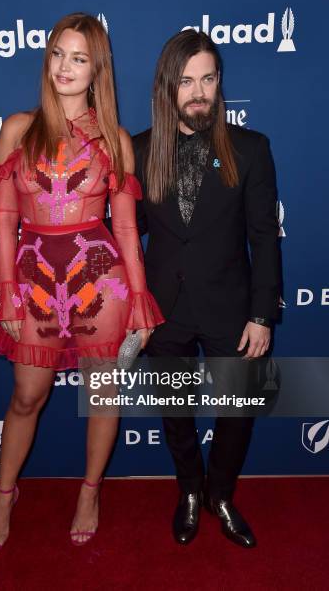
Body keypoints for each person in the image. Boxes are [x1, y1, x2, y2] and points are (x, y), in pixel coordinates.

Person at [0, 12, 164, 556]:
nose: (64, 66)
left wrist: (138, 301)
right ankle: (3, 497)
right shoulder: (18, 128)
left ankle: (89, 493)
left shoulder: (114, 138)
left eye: (79, 57)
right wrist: (8, 290)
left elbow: (127, 229)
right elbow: (4, 223)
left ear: (97, 69)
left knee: (102, 396)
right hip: (32, 282)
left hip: (100, 281)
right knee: (25, 395)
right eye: (58, 53)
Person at [133, 29, 281, 548]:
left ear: (219, 83)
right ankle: (190, 491)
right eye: (186, 80)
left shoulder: (251, 149)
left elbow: (264, 238)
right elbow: (125, 238)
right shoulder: (139, 150)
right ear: (166, 87)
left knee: (238, 413)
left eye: (208, 78)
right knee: (175, 414)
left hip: (232, 309)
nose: (198, 91)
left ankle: (221, 494)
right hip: (164, 310)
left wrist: (262, 314)